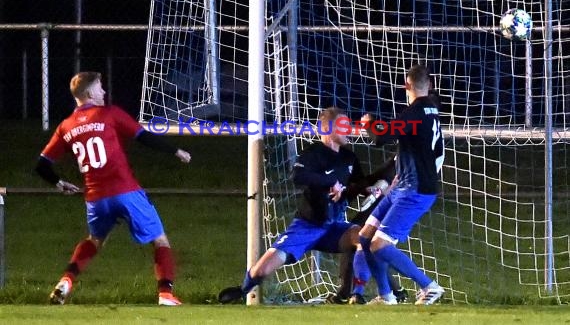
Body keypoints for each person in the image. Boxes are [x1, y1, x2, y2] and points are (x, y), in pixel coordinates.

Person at [35, 71, 191, 306]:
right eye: (100, 88)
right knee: (160, 240)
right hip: (126, 191)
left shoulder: (65, 127)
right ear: (89, 93)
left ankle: (66, 280)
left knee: (95, 240)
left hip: (96, 199)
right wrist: (175, 151)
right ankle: (165, 294)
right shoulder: (110, 114)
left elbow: (42, 165)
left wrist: (58, 183)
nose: (104, 92)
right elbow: (144, 137)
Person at [218, 107, 372, 304]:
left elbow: (359, 184)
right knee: (262, 270)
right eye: (344, 125)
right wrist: (329, 182)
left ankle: (357, 294)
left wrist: (375, 188)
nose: (349, 129)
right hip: (307, 226)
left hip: (334, 226)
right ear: (328, 129)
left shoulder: (349, 158)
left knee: (364, 237)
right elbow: (297, 176)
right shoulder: (313, 154)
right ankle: (242, 290)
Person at [359, 64, 445, 305]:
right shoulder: (430, 110)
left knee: (379, 244)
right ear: (429, 85)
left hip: (415, 190)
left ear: (406, 85)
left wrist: (369, 123)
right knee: (365, 237)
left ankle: (430, 286)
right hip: (403, 186)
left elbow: (383, 135)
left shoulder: (415, 112)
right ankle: (386, 296)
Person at [327, 156, 409, 305]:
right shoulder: (397, 160)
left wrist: (387, 190)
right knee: (359, 242)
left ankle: (354, 292)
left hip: (393, 209)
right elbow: (376, 179)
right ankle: (393, 291)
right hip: (381, 205)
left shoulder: (411, 161)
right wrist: (366, 188)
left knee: (365, 242)